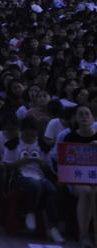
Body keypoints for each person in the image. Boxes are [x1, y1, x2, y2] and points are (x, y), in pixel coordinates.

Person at [3, 116, 63, 243]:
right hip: (19, 176)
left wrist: (42, 163)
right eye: (27, 135)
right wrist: (22, 162)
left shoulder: (42, 145)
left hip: (38, 175)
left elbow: (48, 166)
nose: (31, 138)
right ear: (22, 132)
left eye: (33, 135)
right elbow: (7, 166)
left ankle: (53, 226)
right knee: (34, 185)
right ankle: (29, 211)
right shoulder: (13, 144)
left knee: (51, 190)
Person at [62, 106, 97, 248]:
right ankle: (84, 236)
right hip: (77, 179)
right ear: (75, 118)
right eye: (80, 114)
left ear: (93, 117)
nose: (84, 117)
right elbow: (65, 165)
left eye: (87, 114)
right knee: (87, 193)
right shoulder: (69, 137)